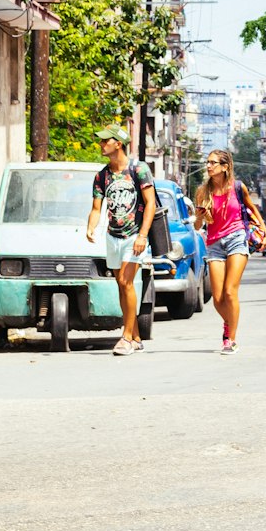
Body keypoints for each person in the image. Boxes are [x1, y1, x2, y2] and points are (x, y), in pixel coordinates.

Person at [86, 124, 155, 357]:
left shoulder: (139, 169)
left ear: (119, 143)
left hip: (134, 235)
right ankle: (135, 336)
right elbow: (97, 207)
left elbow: (151, 205)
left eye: (106, 140)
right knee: (121, 286)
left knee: (126, 283)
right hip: (113, 236)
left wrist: (143, 235)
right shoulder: (102, 175)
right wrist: (91, 227)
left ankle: (125, 338)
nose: (101, 144)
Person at [194, 150, 266, 354]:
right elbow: (198, 226)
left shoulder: (237, 187)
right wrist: (202, 216)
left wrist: (264, 231)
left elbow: (252, 209)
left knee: (229, 291)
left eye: (213, 163)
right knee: (217, 297)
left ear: (225, 167)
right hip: (214, 243)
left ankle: (230, 338)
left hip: (237, 238)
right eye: (207, 162)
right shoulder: (203, 192)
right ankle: (229, 321)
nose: (208, 166)